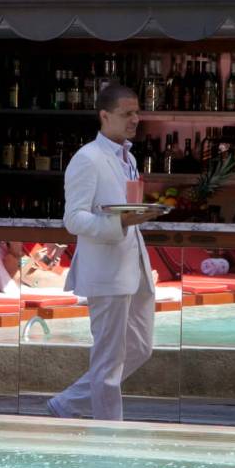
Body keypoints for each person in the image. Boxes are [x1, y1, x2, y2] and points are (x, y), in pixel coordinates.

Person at [48, 84, 155, 421]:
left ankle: (68, 404)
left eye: (137, 112)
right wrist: (119, 224)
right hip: (106, 270)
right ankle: (109, 434)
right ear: (104, 116)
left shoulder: (129, 158)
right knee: (109, 359)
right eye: (127, 114)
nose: (135, 119)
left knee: (140, 347)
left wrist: (133, 219)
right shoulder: (87, 158)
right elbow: (73, 218)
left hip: (132, 267)